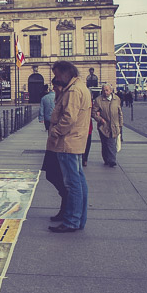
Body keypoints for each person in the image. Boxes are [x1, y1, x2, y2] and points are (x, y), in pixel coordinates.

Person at [45, 60, 91, 233]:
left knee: (72, 184)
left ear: (65, 73)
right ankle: (79, 219)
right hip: (75, 142)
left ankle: (72, 220)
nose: (56, 78)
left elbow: (68, 118)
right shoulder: (80, 87)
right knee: (79, 182)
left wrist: (55, 132)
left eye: (57, 75)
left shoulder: (73, 90)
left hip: (67, 143)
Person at [42, 79, 66, 220]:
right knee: (50, 174)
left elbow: (69, 118)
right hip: (54, 143)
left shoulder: (69, 95)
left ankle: (66, 206)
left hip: (60, 143)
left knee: (58, 176)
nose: (53, 88)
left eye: (56, 86)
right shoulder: (58, 97)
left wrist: (55, 132)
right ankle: (65, 204)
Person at [92, 82, 123, 167]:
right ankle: (106, 159)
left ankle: (112, 160)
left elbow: (120, 113)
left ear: (111, 90)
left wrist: (120, 124)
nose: (105, 92)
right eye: (103, 90)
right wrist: (100, 119)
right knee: (105, 144)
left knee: (111, 142)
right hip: (103, 126)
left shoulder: (117, 99)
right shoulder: (98, 100)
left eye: (107, 90)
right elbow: (93, 113)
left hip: (114, 125)